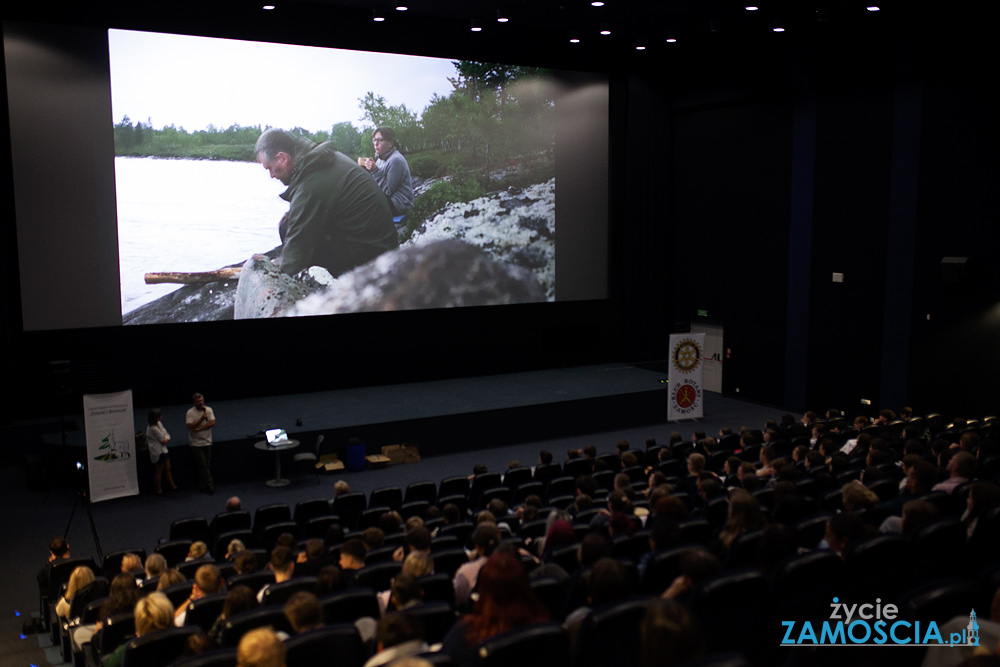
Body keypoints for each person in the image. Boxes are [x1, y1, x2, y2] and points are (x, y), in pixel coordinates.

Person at [255, 128, 398, 277]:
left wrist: (275, 279)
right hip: (379, 248)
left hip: (373, 261)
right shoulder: (319, 162)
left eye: (270, 168)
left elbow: (298, 243)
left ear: (282, 159)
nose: (271, 175)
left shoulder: (312, 180)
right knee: (288, 223)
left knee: (291, 231)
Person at [362, 127, 414, 217]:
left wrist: (374, 171)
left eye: (380, 140)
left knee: (364, 208)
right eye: (374, 140)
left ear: (390, 143)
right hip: (388, 200)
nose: (376, 144)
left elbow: (388, 191)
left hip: (400, 204)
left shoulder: (395, 160)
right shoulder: (380, 160)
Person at [186, 393, 216, 494]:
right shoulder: (190, 413)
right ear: (194, 402)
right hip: (195, 443)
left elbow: (212, 422)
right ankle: (209, 484)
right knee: (202, 464)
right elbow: (190, 426)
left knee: (206, 464)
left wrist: (200, 428)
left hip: (207, 441)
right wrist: (201, 419)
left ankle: (202, 484)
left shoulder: (208, 410)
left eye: (202, 401)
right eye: (198, 401)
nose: (200, 403)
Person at [146, 408, 177, 495]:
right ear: (156, 418)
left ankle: (173, 486)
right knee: (159, 471)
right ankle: (159, 490)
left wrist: (166, 437)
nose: (161, 417)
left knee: (168, 468)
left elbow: (165, 433)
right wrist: (166, 438)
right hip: (158, 452)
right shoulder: (152, 428)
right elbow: (163, 440)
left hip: (163, 451)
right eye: (160, 415)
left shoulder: (159, 424)